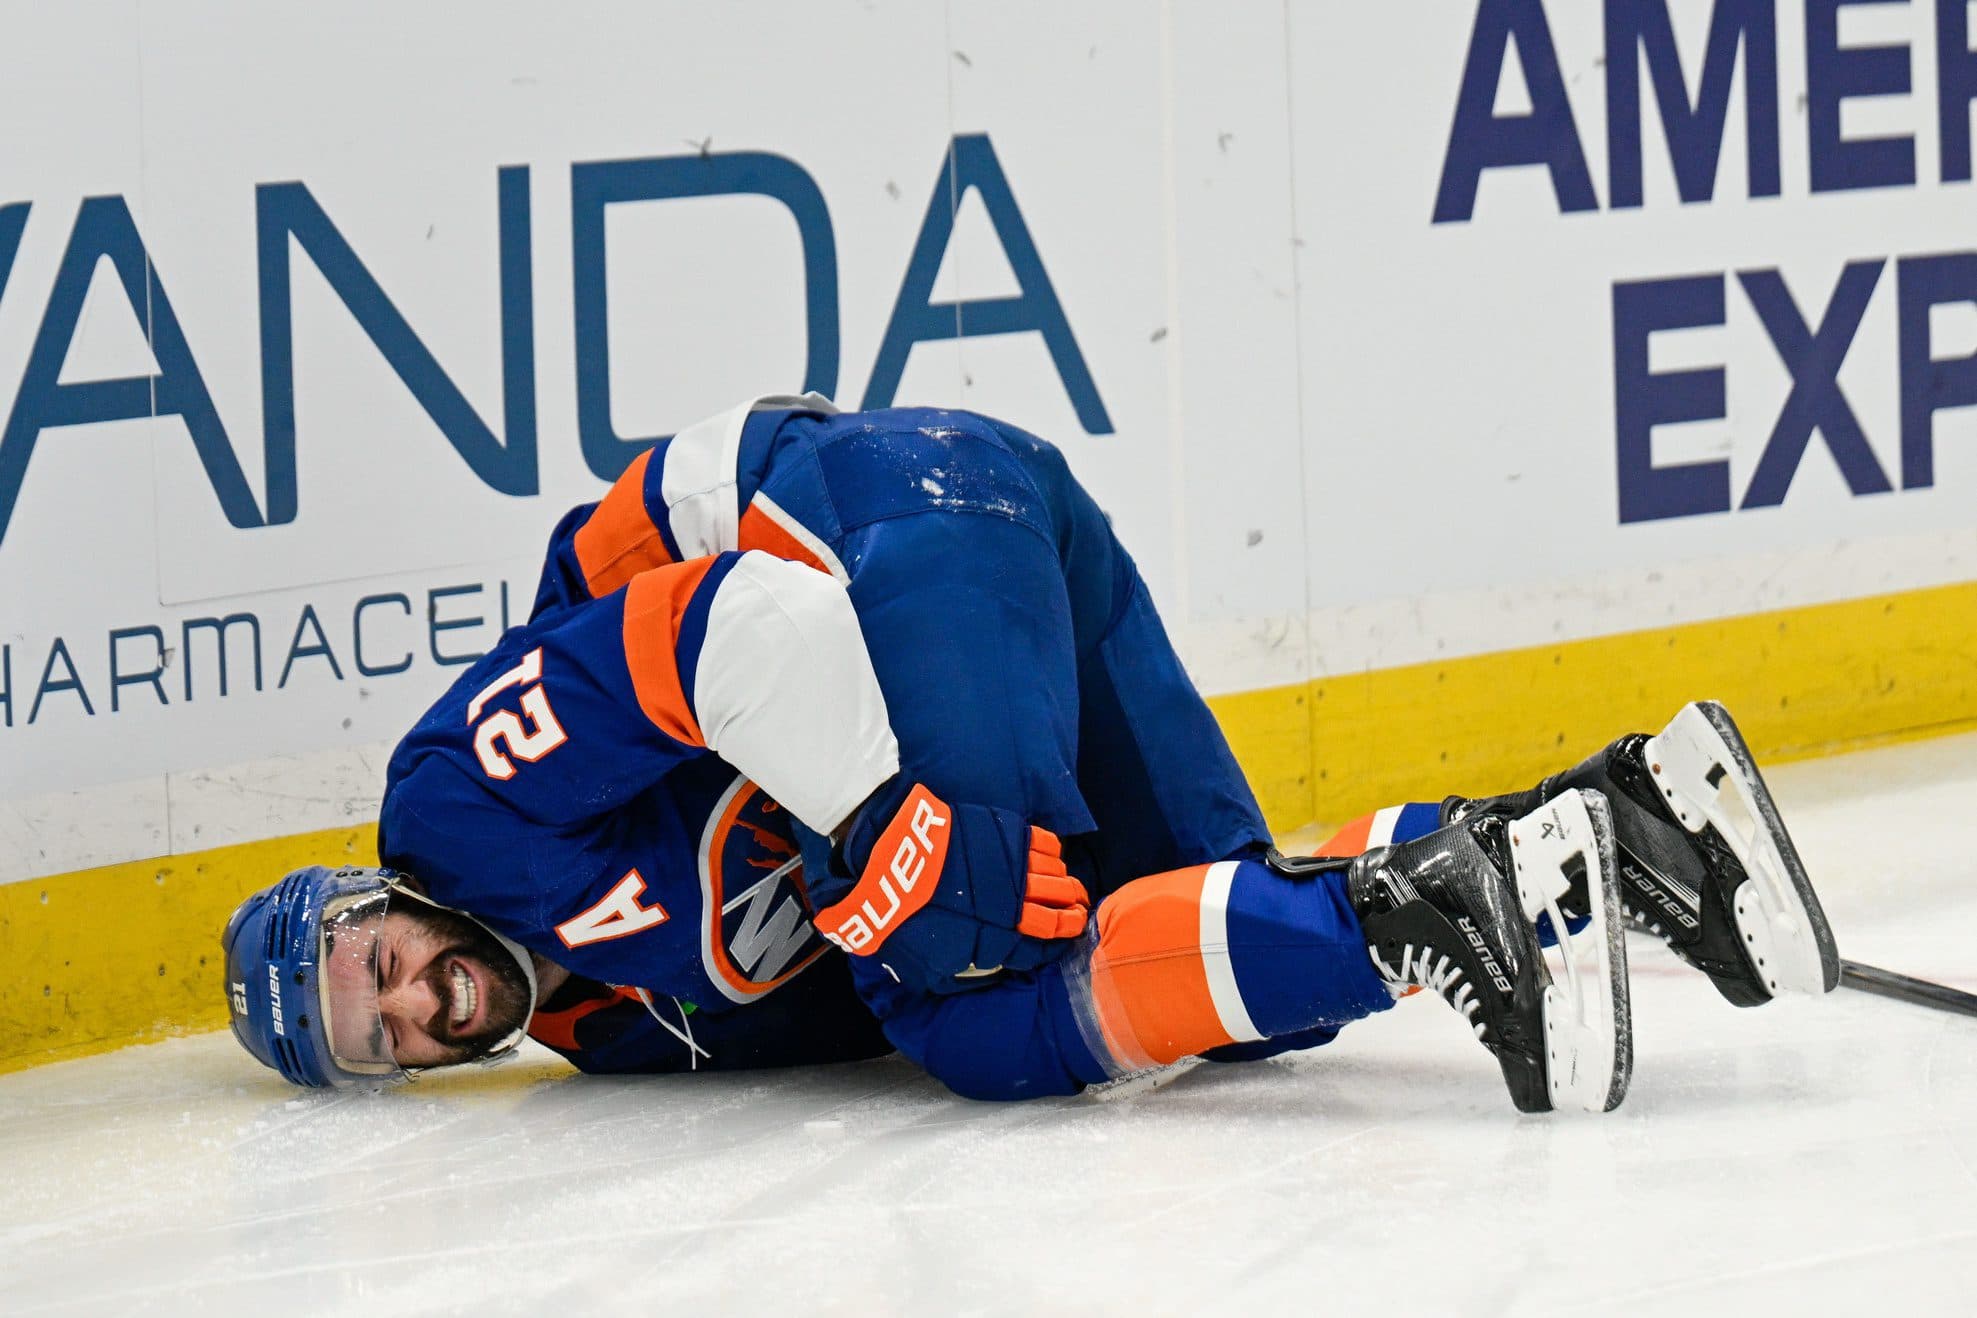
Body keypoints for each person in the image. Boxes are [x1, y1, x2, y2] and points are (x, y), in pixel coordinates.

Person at [219, 394, 1840, 1110]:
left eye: (378, 961)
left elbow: (743, 635)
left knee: (977, 1009)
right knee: (1212, 976)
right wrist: (901, 877)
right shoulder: (618, 1034)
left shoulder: (455, 806)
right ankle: (1611, 828)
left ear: (378, 895)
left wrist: (886, 835)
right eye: (381, 1041)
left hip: (892, 530)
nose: (416, 1003)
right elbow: (850, 970)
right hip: (997, 535)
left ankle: (1432, 895)